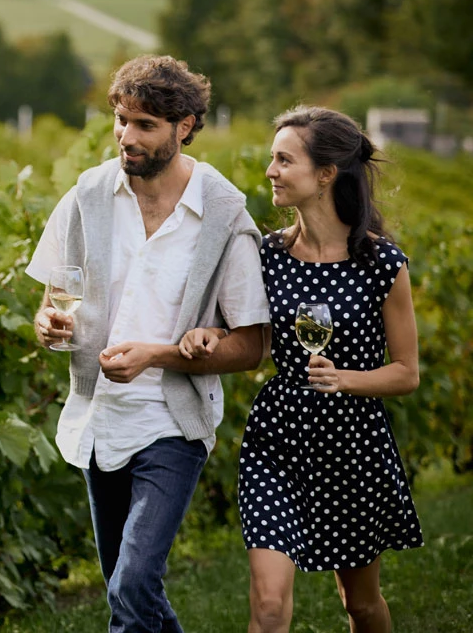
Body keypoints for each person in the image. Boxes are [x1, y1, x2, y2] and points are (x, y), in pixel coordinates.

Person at [26, 54, 270, 633]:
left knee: (133, 582)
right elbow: (53, 301)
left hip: (172, 422)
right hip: (99, 416)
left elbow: (253, 347)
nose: (125, 137)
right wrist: (48, 326)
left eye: (144, 126)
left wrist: (157, 356)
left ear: (184, 126)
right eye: (120, 120)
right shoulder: (86, 198)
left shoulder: (222, 217)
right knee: (126, 589)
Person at [179, 106, 423, 633]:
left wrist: (345, 380)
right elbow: (243, 332)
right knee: (268, 606)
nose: (270, 171)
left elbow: (406, 372)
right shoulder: (266, 254)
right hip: (279, 437)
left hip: (354, 443)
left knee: (360, 605)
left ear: (326, 174)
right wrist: (209, 335)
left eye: (284, 160)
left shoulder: (383, 265)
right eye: (272, 159)